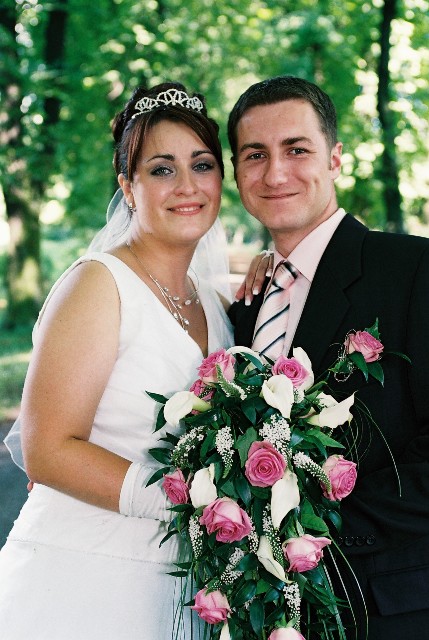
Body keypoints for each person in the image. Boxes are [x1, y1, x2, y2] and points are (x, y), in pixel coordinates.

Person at [0, 81, 235, 640]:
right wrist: (191, 501)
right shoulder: (98, 284)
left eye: (202, 165)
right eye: (161, 169)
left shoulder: (216, 304)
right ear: (128, 187)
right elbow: (46, 450)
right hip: (81, 579)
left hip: (180, 590)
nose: (187, 185)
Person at [227, 76, 429, 639]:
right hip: (261, 615)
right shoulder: (245, 306)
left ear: (335, 158)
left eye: (297, 150)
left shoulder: (413, 270)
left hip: (387, 609)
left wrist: (306, 528)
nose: (275, 174)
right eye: (255, 155)